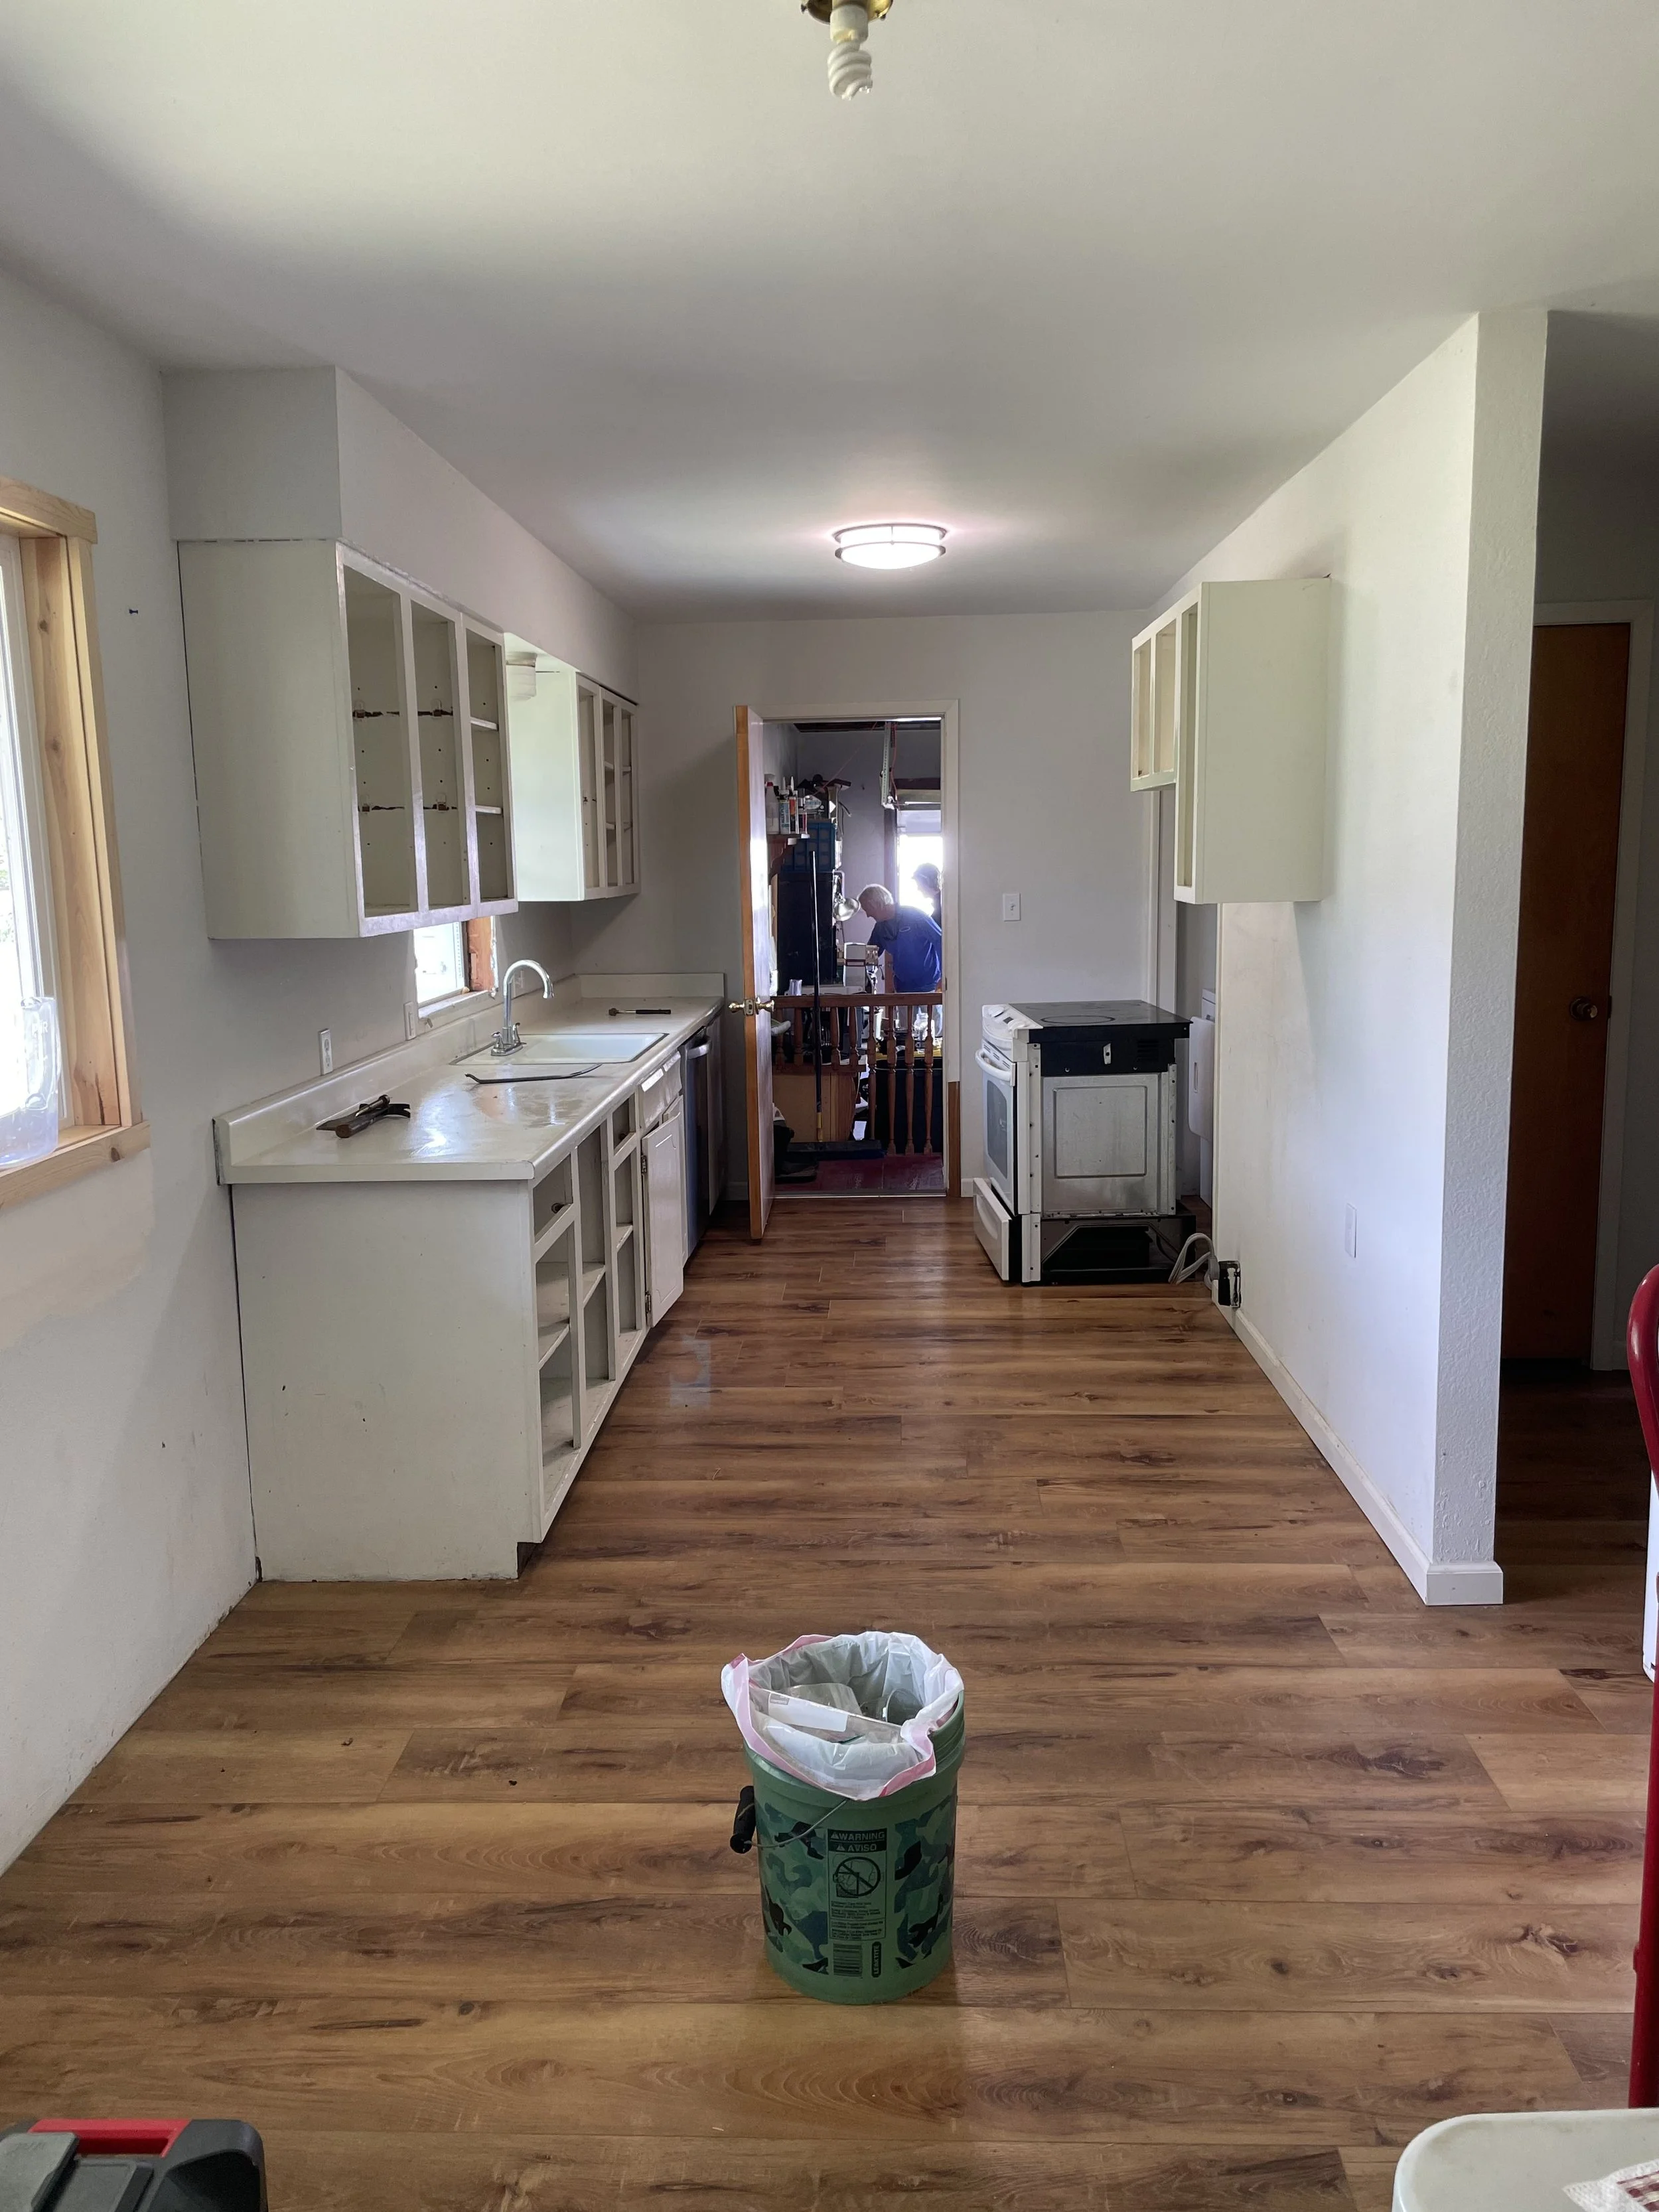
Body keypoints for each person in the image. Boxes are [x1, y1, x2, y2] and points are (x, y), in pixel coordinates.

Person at [857, 884, 942, 994]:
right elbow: (870, 955)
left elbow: (940, 941)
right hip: (903, 988)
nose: (868, 915)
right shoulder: (880, 928)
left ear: (876, 905)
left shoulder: (915, 916)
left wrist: (944, 976)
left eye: (867, 909)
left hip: (930, 985)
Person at [911, 861, 942, 926]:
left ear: (927, 881)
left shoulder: (941, 907)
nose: (918, 889)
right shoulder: (939, 903)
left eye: (919, 884)